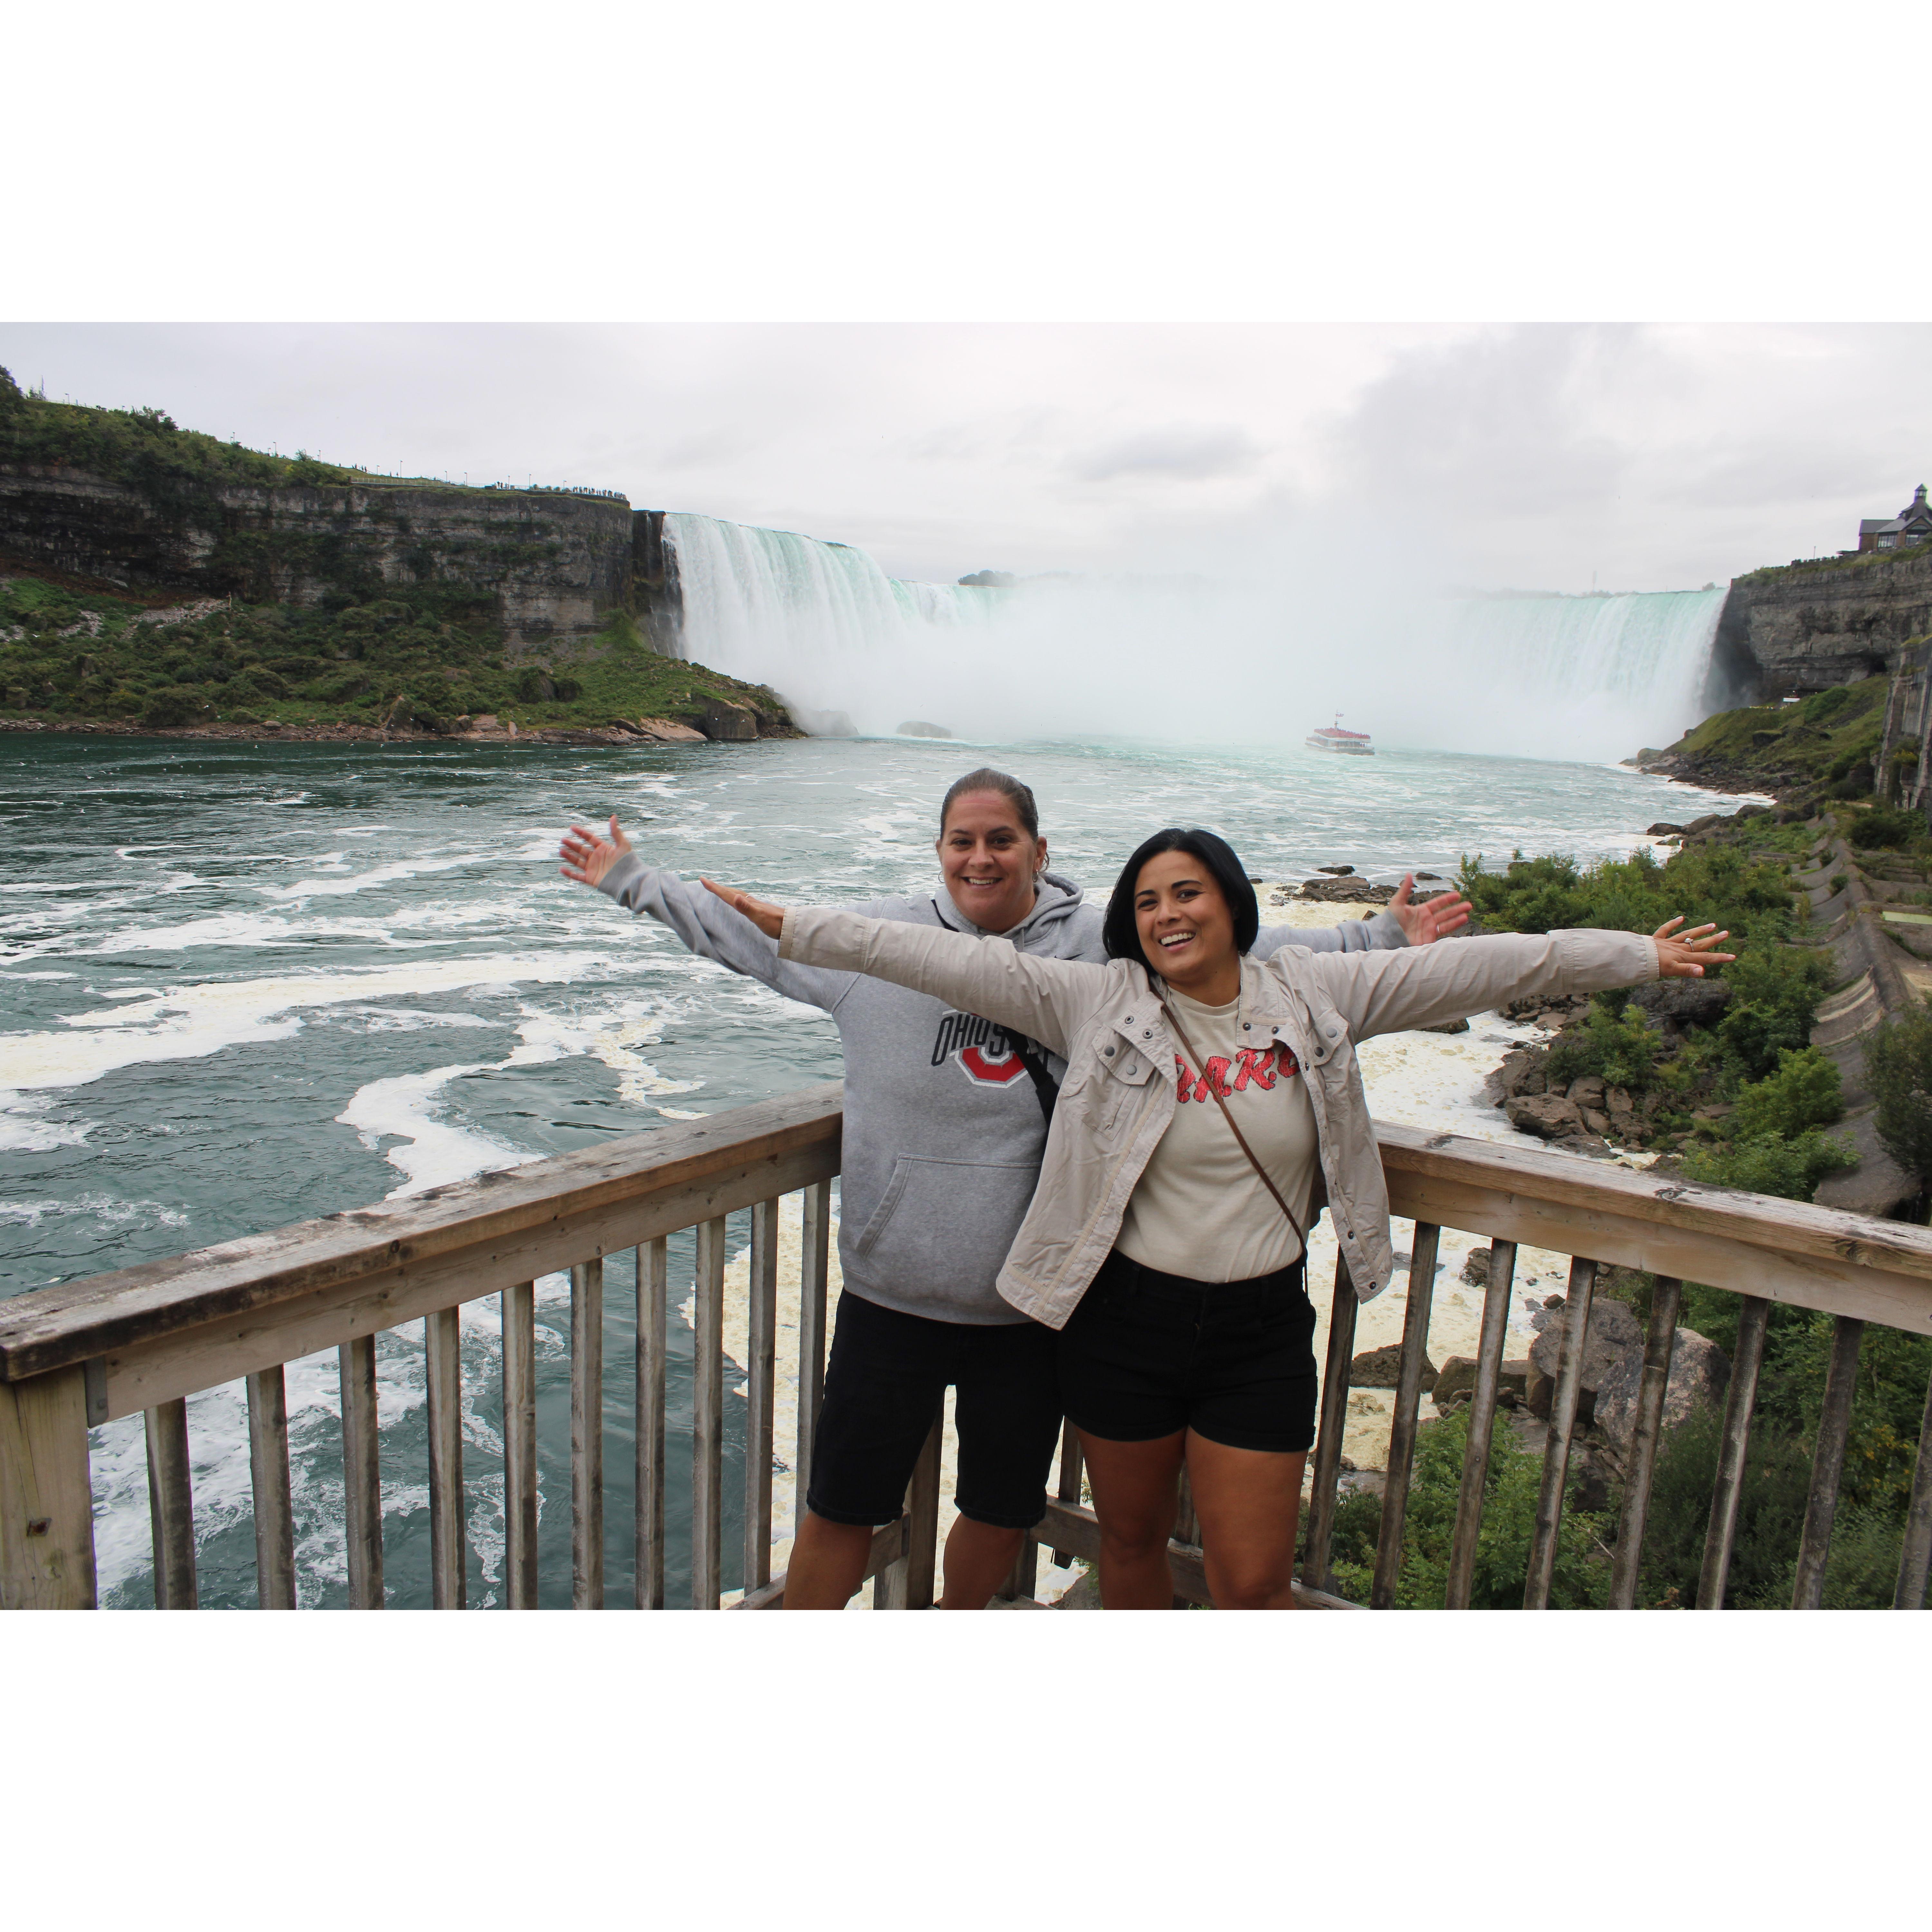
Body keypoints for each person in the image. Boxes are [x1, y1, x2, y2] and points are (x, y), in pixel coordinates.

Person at [698, 829, 1733, 1609]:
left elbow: (1495, 967)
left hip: (1258, 1331)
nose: (1166, 916)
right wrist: (799, 928)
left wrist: (1636, 954)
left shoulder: (1312, 990)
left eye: (1186, 894)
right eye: (1147, 903)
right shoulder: (1101, 1001)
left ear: (1232, 905)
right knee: (1135, 1551)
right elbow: (953, 964)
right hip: (1126, 1325)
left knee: (1251, 1586)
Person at [560, 770, 1472, 1608]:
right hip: (892, 1296)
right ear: (940, 853)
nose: (981, 857)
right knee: (841, 1508)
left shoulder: (1104, 952)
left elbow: (1250, 947)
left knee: (1001, 1510)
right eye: (962, 840)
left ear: (1041, 852)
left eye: (1002, 840)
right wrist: (632, 877)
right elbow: (744, 931)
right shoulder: (876, 943)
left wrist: (1383, 937)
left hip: (1036, 1310)